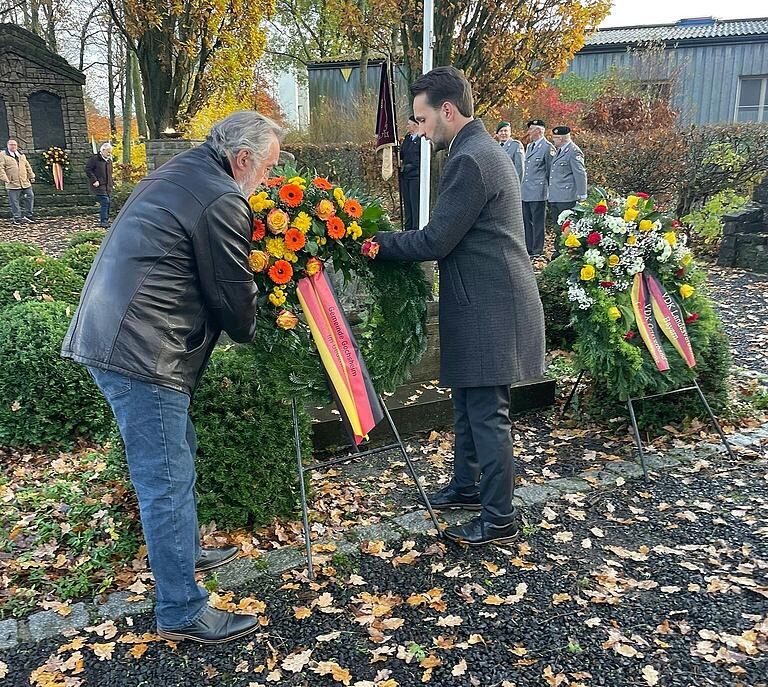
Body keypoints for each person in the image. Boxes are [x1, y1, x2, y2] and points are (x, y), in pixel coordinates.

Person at [61, 111, 282, 644]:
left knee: (174, 456)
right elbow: (234, 299)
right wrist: (275, 306)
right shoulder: (223, 196)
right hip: (141, 350)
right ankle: (181, 606)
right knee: (165, 479)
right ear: (243, 159)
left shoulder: (185, 169)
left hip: (119, 335)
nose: (269, 182)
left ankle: (182, 553)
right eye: (269, 169)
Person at [363, 66, 545, 546]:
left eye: (423, 119)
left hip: (490, 304)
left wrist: (375, 244)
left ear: (447, 110)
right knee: (468, 404)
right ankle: (468, 487)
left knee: (487, 413)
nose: (419, 131)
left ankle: (500, 518)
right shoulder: (479, 150)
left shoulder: (471, 159)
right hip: (484, 298)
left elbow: (436, 239)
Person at [548, 125, 588, 258]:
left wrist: (582, 195)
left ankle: (565, 252)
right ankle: (558, 250)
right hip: (555, 195)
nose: (554, 140)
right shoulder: (560, 151)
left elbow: (580, 174)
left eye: (555, 138)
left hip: (567, 196)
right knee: (557, 225)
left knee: (566, 226)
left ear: (562, 138)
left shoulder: (573, 151)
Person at [521, 120, 555, 257]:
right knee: (526, 221)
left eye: (531, 129)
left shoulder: (548, 147)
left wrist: (548, 191)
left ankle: (537, 250)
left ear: (539, 131)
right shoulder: (530, 146)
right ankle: (528, 247)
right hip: (526, 190)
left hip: (538, 191)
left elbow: (550, 171)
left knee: (538, 222)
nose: (529, 132)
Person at [0, 139, 35, 224]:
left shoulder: (21, 154)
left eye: (15, 145)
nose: (13, 146)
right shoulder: (2, 155)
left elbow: (27, 166)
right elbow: (1, 168)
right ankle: (17, 218)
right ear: (8, 145)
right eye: (11, 144)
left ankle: (28, 215)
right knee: (14, 202)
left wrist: (31, 176)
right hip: (12, 183)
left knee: (30, 197)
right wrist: (5, 178)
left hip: (25, 182)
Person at [399, 115, 422, 230]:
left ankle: (415, 229)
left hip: (415, 177)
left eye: (409, 124)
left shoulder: (422, 140)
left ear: (415, 125)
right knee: (407, 205)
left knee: (415, 206)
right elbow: (402, 155)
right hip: (406, 176)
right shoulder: (408, 138)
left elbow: (420, 159)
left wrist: (410, 167)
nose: (407, 126)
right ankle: (407, 229)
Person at [85, 142, 115, 228]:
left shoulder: (109, 161)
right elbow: (88, 170)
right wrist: (94, 180)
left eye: (110, 152)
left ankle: (106, 220)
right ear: (103, 150)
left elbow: (109, 174)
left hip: (107, 185)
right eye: (108, 152)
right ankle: (103, 221)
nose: (110, 154)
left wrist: (112, 183)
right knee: (105, 201)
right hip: (99, 185)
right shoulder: (94, 159)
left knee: (108, 202)